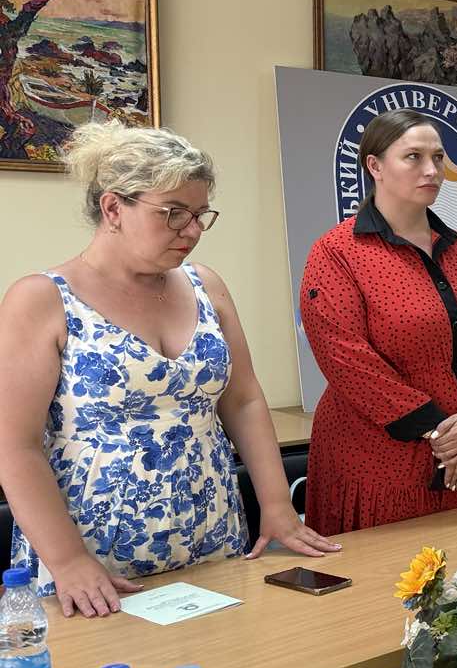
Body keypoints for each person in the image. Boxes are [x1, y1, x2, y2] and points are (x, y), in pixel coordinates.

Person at [0, 123, 336, 618]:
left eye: (200, 215)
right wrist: (68, 560)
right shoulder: (42, 299)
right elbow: (16, 445)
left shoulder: (206, 285)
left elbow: (243, 401)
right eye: (174, 213)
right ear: (114, 208)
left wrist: (277, 507)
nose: (192, 231)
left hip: (212, 531)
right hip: (94, 555)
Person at [300, 110, 457, 533]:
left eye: (438, 157)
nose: (432, 170)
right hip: (381, 454)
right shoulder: (337, 253)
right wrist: (443, 434)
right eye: (413, 157)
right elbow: (347, 360)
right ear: (375, 166)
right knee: (391, 570)